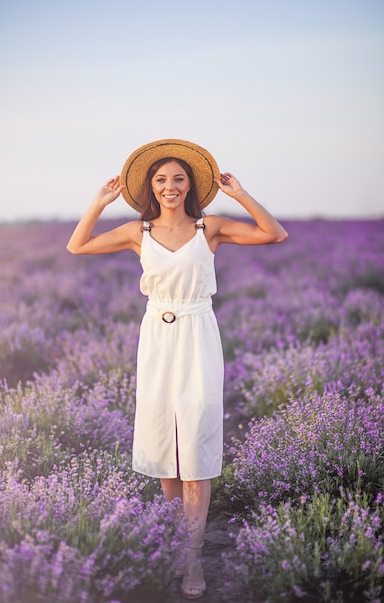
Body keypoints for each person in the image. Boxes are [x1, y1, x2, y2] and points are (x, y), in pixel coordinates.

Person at [67, 139, 288, 600]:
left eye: (179, 179)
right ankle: (173, 545)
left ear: (192, 186)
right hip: (156, 338)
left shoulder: (212, 227)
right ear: (151, 186)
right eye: (161, 180)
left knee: (197, 440)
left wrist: (241, 195)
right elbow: (77, 245)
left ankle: (192, 558)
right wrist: (98, 201)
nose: (170, 187)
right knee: (163, 440)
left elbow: (274, 234)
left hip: (197, 333)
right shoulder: (137, 231)